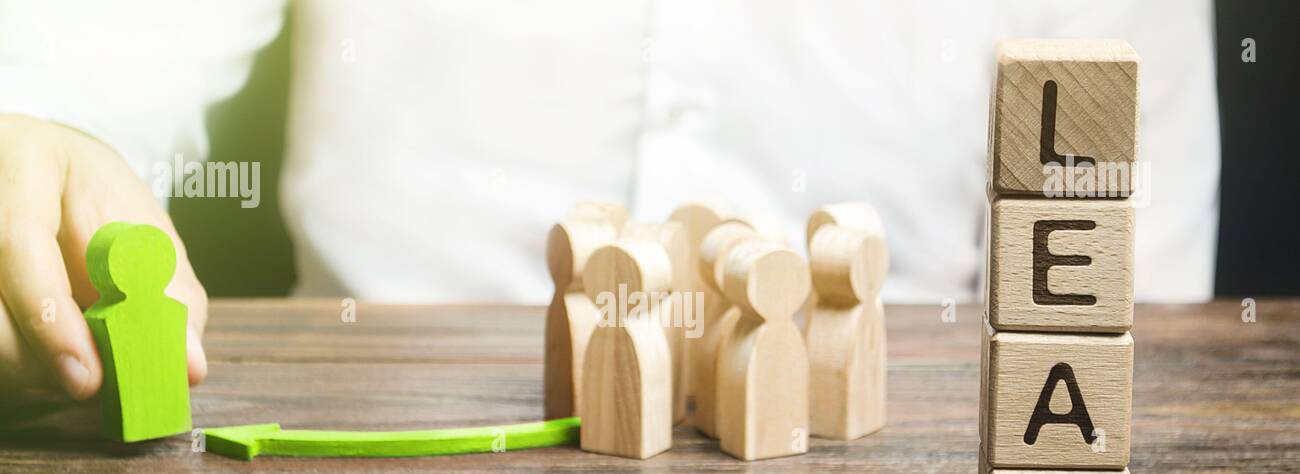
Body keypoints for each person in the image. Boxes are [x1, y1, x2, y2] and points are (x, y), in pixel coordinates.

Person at [0, 0, 1219, 401]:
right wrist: (36, 117)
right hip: (380, 455)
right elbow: (100, 47)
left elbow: (1122, 265)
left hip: (901, 465)